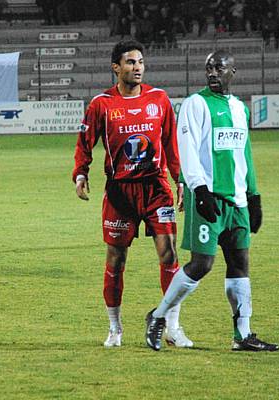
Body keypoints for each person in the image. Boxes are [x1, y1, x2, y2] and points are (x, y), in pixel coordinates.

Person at [144, 50, 279, 352]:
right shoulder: (196, 104)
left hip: (237, 202)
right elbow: (187, 148)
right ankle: (159, 315)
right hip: (208, 198)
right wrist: (199, 190)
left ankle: (242, 335)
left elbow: (244, 153)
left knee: (240, 264)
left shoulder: (239, 109)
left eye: (219, 68)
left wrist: (254, 195)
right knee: (202, 264)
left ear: (233, 71)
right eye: (209, 68)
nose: (213, 73)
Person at [72, 40, 189, 348]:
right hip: (120, 192)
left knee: (169, 255)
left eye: (140, 62)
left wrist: (180, 180)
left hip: (156, 189)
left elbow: (170, 145)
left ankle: (172, 327)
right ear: (116, 68)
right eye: (130, 62)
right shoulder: (101, 104)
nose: (137, 67)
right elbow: (85, 141)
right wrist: (81, 172)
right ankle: (115, 328)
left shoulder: (159, 100)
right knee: (116, 260)